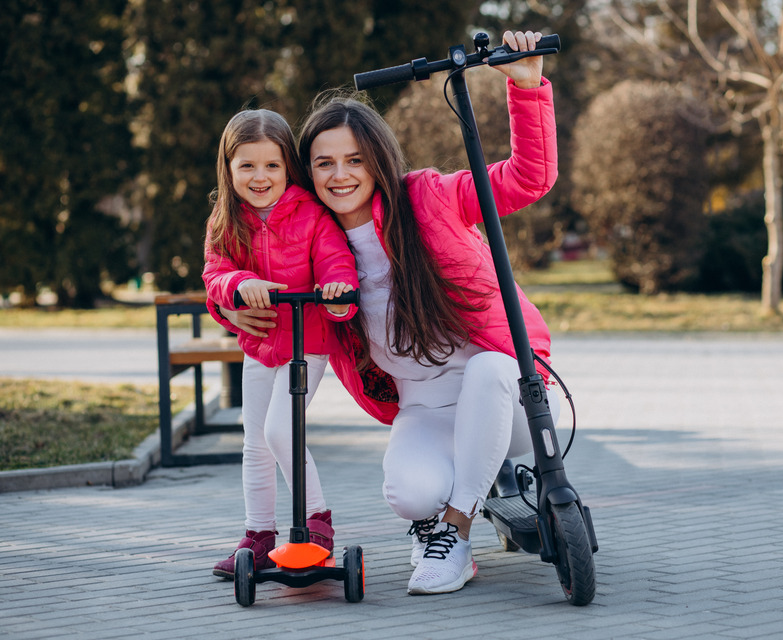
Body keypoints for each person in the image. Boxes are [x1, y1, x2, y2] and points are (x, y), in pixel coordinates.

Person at [223, 29, 561, 595]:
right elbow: (259, 287)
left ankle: (456, 530)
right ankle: (441, 507)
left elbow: (529, 178)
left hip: (513, 396)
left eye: (355, 159)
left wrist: (528, 89)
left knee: (490, 369)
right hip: (425, 409)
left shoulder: (429, 197)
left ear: (378, 159)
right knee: (408, 493)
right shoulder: (318, 251)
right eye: (323, 163)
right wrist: (236, 309)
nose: (340, 175)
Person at [202, 108, 359, 579]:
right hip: (259, 343)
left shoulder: (311, 214)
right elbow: (214, 273)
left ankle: (317, 523)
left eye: (271, 165)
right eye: (246, 165)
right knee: (254, 442)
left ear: (288, 166)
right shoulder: (226, 219)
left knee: (279, 430)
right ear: (229, 169)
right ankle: (258, 534)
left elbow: (336, 263)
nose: (259, 176)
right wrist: (237, 284)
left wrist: (337, 295)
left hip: (306, 341)